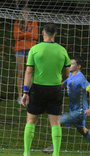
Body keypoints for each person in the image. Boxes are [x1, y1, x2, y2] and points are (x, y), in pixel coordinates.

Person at [21, 23, 71, 156]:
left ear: (42, 33)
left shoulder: (35, 49)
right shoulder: (62, 50)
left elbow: (28, 72)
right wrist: (62, 86)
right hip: (55, 89)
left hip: (37, 89)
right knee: (55, 123)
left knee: (31, 120)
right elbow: (68, 74)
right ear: (55, 34)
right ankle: (56, 154)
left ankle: (26, 153)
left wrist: (25, 92)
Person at [42, 56, 90, 153]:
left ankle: (54, 147)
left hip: (80, 111)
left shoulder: (80, 78)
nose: (69, 65)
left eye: (72, 64)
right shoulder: (71, 77)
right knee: (83, 130)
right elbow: (61, 85)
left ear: (79, 66)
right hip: (75, 110)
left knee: (57, 122)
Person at [13, 8, 38, 105]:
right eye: (23, 12)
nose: (25, 14)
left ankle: (29, 95)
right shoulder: (17, 22)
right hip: (19, 50)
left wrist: (23, 35)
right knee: (20, 73)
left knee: (30, 72)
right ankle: (20, 95)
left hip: (31, 49)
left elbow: (35, 36)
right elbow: (16, 35)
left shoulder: (34, 23)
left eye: (27, 12)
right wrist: (28, 35)